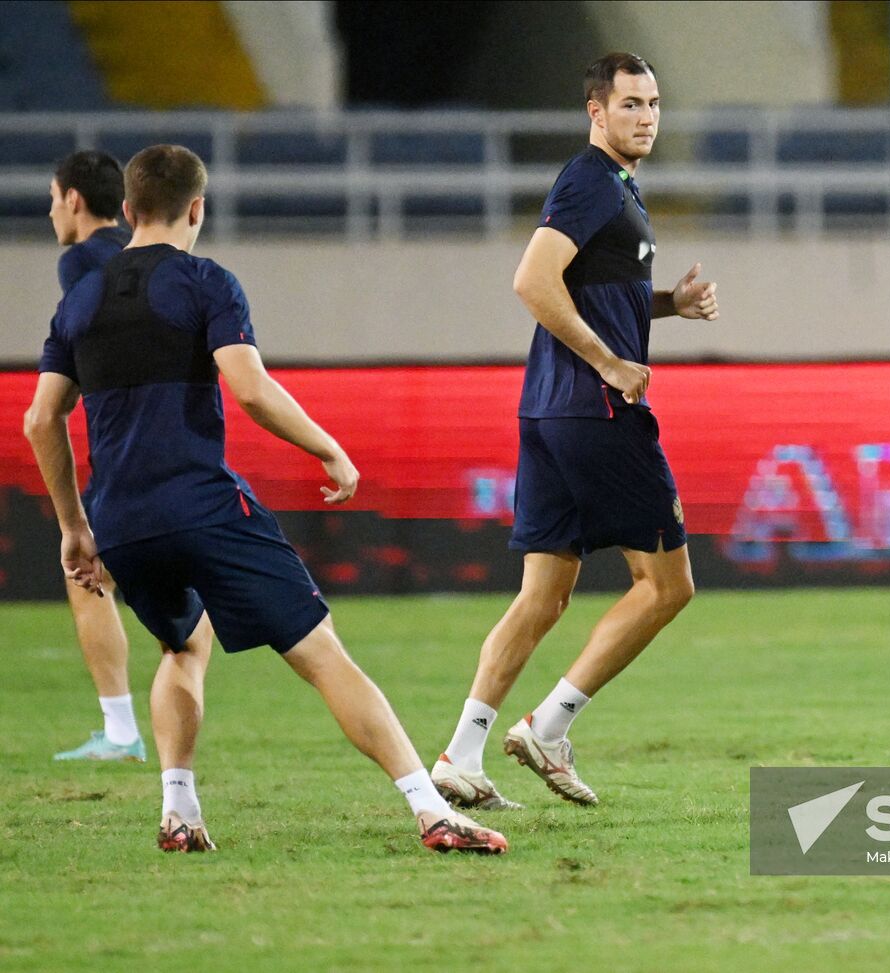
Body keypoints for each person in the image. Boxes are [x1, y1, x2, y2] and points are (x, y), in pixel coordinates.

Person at [24, 144, 506, 855]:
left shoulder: (79, 299)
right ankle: (431, 808)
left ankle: (179, 811)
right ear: (198, 209)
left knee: (182, 645)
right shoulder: (206, 281)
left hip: (120, 522)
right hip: (202, 505)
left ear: (126, 212)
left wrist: (74, 525)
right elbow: (249, 388)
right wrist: (328, 447)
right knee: (320, 652)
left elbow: (41, 420)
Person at [432, 53, 718, 810]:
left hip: (549, 410)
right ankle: (549, 726)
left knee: (542, 597)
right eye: (630, 104)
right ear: (596, 111)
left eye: (654, 102)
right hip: (595, 409)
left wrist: (665, 307)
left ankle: (461, 755)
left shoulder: (617, 186)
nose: (646, 116)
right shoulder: (590, 179)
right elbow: (533, 279)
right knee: (667, 585)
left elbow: (589, 286)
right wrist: (611, 362)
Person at [45, 150, 146, 763]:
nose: (52, 210)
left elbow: (95, 339)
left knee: (83, 571)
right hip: (176, 444)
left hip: (125, 452)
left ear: (75, 199)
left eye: (54, 197)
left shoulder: (83, 260)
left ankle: (120, 734)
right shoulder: (148, 255)